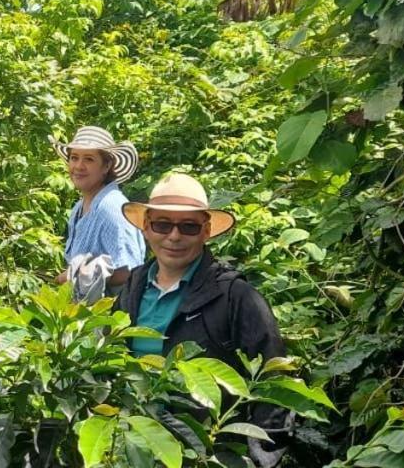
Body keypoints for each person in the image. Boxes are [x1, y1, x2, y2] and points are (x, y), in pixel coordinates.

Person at [117, 172, 288, 466]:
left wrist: (259, 460)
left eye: (188, 227)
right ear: (146, 227)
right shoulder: (132, 288)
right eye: (162, 224)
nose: (174, 236)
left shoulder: (236, 297)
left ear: (206, 231)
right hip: (133, 448)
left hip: (206, 455)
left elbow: (275, 388)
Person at [51, 126, 146, 303]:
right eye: (74, 158)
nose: (79, 166)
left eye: (89, 159)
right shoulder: (79, 207)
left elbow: (130, 272)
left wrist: (73, 276)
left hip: (111, 317)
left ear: (107, 165)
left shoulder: (111, 207)